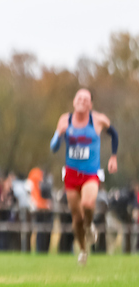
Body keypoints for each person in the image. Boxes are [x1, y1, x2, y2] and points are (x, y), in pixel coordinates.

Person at [50, 88, 118, 265]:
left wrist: (113, 157)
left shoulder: (98, 120)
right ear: (74, 101)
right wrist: (59, 134)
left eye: (86, 99)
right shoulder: (65, 120)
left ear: (91, 104)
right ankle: (82, 250)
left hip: (91, 174)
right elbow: (53, 147)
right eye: (79, 98)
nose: (82, 101)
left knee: (88, 204)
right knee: (76, 218)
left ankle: (89, 226)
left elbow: (114, 134)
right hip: (71, 175)